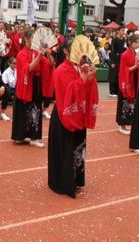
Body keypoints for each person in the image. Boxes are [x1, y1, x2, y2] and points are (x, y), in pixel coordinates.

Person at [48, 37, 99, 197]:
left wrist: (90, 78)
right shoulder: (62, 70)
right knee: (66, 149)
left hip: (79, 114)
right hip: (65, 114)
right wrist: (83, 79)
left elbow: (86, 89)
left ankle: (76, 180)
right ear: (66, 51)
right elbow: (68, 92)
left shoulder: (79, 67)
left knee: (78, 149)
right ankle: (63, 183)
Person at [12, 28, 54, 148]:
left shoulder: (36, 52)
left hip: (35, 84)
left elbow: (50, 65)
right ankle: (20, 135)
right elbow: (28, 68)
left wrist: (49, 54)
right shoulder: (21, 54)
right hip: (25, 84)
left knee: (35, 109)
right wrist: (40, 56)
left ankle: (34, 137)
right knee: (22, 110)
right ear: (26, 39)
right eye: (33, 38)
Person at [116, 34, 139, 135]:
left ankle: (128, 124)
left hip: (133, 80)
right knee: (124, 103)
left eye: (138, 42)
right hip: (126, 82)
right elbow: (124, 70)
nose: (138, 44)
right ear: (130, 43)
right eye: (136, 42)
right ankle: (122, 125)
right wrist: (136, 66)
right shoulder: (125, 54)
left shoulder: (135, 53)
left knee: (131, 104)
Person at [108, 28, 127, 97]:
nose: (123, 32)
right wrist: (112, 62)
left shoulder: (124, 40)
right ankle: (111, 91)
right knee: (113, 75)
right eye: (122, 30)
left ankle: (116, 91)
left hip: (121, 59)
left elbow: (125, 49)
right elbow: (112, 51)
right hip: (115, 59)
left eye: (124, 30)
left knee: (118, 75)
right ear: (118, 31)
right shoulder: (114, 40)